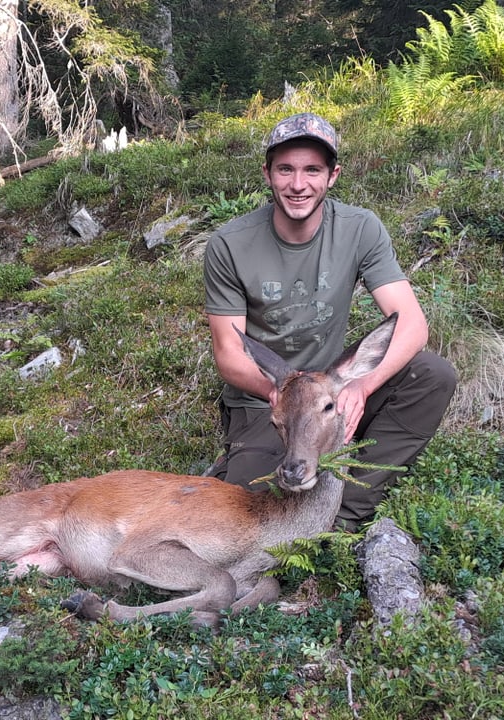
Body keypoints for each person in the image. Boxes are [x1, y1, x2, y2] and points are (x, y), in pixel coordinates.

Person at [203, 112, 457, 532]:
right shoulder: (229, 245)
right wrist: (280, 394)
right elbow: (230, 355)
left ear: (332, 175)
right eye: (285, 169)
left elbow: (412, 324)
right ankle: (262, 464)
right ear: (267, 173)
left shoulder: (360, 229)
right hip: (268, 396)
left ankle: (345, 512)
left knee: (432, 375)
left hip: (334, 385)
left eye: (312, 171)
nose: (298, 184)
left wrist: (361, 386)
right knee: (243, 511)